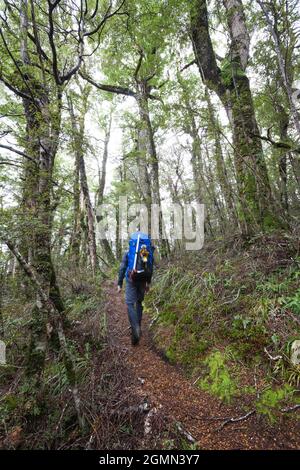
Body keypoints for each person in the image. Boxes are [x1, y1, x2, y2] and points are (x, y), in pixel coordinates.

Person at [118, 233, 154, 346]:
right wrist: (148, 283)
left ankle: (135, 328)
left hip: (131, 279)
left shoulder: (129, 253)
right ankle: (138, 326)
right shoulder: (145, 252)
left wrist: (119, 283)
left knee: (129, 304)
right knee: (139, 302)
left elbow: (122, 268)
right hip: (143, 280)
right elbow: (150, 267)